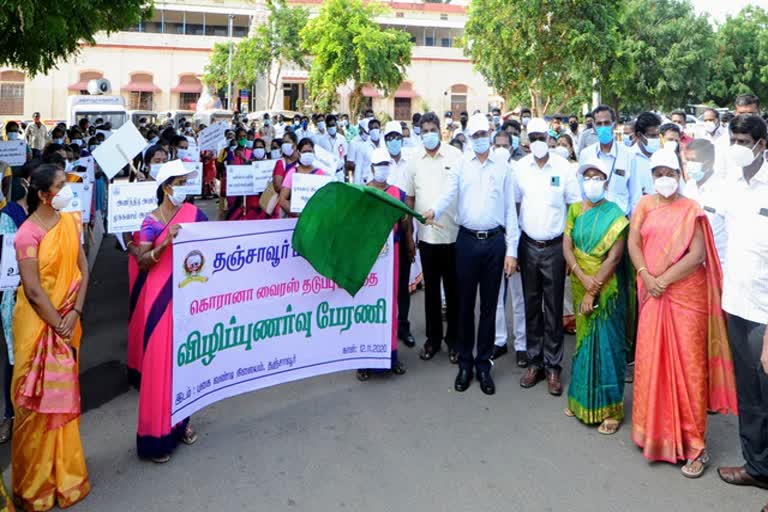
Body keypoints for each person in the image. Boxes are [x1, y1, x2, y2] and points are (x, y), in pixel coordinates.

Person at [628, 149, 736, 478]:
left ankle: (695, 446)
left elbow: (698, 254)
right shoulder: (644, 204)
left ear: (680, 175)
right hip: (653, 294)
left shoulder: (692, 209)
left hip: (686, 297)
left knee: (689, 370)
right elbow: (634, 243)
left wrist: (663, 279)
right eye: (658, 172)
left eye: (670, 172)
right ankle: (656, 434)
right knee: (651, 363)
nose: (664, 178)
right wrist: (647, 276)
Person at [423, 113, 520, 395]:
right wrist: (433, 210)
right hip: (465, 242)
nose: (479, 139)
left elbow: (510, 213)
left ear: (490, 134)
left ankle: (483, 364)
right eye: (474, 135)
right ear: (470, 137)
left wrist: (511, 251)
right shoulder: (461, 165)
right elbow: (447, 194)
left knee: (490, 307)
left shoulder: (503, 167)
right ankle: (465, 363)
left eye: (483, 134)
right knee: (464, 306)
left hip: (494, 243)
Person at [12, 164, 90, 510]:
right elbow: (32, 289)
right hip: (38, 324)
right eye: (62, 185)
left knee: (62, 396)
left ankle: (66, 476)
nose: (69, 189)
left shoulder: (71, 221)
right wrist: (59, 322)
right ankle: (36, 485)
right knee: (33, 404)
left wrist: (75, 314)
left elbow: (83, 269)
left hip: (69, 320)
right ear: (45, 195)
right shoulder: (26, 233)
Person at [135, 163, 207, 463]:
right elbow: (142, 261)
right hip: (159, 297)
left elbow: (216, 243)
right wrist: (165, 242)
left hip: (187, 293)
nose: (185, 188)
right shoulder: (150, 222)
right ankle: (157, 436)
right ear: (166, 187)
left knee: (183, 360)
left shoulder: (194, 215)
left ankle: (183, 423)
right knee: (158, 364)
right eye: (180, 182)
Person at [716, 114, 768, 493]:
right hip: (736, 305)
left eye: (743, 140)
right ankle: (757, 467)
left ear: (761, 144)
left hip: (765, 314)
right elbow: (718, 235)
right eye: (732, 138)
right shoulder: (731, 185)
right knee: (750, 398)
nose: (736, 146)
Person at [562, 158, 630, 434]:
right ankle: (582, 401)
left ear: (606, 181)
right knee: (583, 343)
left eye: (597, 177)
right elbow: (567, 245)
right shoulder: (576, 210)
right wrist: (581, 276)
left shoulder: (615, 213)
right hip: (581, 281)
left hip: (606, 289)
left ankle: (611, 410)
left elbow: (614, 257)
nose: (592, 181)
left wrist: (594, 289)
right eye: (587, 177)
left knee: (607, 347)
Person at [515, 118, 581, 395]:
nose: (539, 141)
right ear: (528, 140)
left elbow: (575, 207)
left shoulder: (564, 168)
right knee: (532, 306)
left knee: (553, 308)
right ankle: (535, 362)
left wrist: (571, 249)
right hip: (528, 245)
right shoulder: (519, 168)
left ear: (550, 138)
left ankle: (554, 367)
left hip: (555, 247)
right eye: (534, 137)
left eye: (543, 136)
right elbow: (515, 204)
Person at [403, 113, 461, 364]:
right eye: (423, 130)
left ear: (440, 130)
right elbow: (410, 199)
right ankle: (433, 339)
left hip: (454, 235)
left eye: (432, 129)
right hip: (426, 238)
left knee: (454, 291)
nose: (428, 134)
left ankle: (455, 340)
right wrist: (409, 234)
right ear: (419, 132)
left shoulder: (455, 157)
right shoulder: (414, 161)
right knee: (431, 293)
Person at [356, 148, 412, 381]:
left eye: (385, 165)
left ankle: (391, 356)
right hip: (368, 254)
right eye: (378, 165)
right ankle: (364, 360)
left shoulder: (397, 193)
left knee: (389, 305)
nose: (383, 169)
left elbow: (405, 223)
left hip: (392, 253)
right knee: (368, 305)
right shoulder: (362, 193)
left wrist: (409, 242)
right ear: (371, 168)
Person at [381, 121, 416, 347]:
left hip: (404, 230)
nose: (394, 141)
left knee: (403, 282)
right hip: (382, 235)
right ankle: (384, 328)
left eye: (397, 137)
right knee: (383, 283)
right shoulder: (379, 164)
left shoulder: (410, 163)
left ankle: (403, 325)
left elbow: (412, 199)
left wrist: (411, 235)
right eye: (389, 138)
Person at [0, 171, 29, 445]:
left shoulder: (48, 214)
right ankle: (11, 414)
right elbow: (9, 265)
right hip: (17, 297)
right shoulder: (8, 216)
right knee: (14, 357)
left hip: (46, 295)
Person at [578, 105, 639, 217]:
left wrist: (633, 224)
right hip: (594, 218)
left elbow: (635, 194)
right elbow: (581, 189)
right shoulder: (586, 154)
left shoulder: (629, 155)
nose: (603, 127)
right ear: (593, 126)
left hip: (620, 221)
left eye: (606, 123)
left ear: (614, 125)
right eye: (599, 124)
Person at [681, 139, 727, 266]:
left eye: (694, 160)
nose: (690, 165)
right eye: (687, 160)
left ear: (709, 162)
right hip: (693, 263)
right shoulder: (689, 187)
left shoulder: (724, 189)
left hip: (719, 263)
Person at [278, 138, 328, 217]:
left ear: (314, 152)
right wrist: (297, 213)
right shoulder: (292, 173)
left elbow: (325, 199)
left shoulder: (320, 174)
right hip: (295, 220)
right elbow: (282, 200)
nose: (307, 154)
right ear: (298, 153)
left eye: (310, 151)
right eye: (304, 152)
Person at [631, 112, 662, 201]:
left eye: (657, 135)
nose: (656, 139)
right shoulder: (629, 157)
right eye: (652, 136)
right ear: (639, 135)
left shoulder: (663, 156)